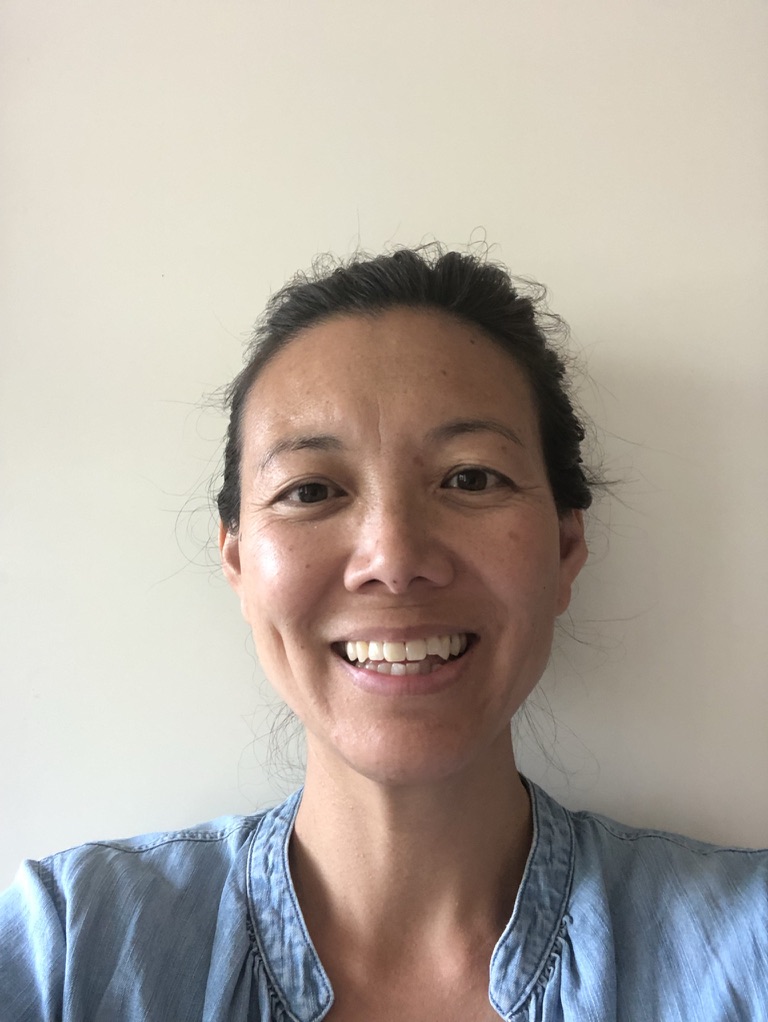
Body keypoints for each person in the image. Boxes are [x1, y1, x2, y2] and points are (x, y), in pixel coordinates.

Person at [1, 246, 766, 1021]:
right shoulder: (69, 952)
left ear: (565, 547)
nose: (394, 559)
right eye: (312, 490)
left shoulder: (750, 951)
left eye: (471, 477)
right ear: (235, 558)